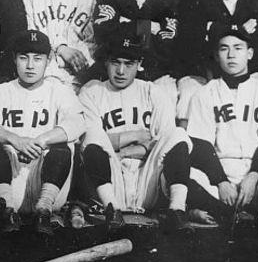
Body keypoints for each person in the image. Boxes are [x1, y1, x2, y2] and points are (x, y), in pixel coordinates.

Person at [0, 30, 87, 237]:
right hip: (9, 180)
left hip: (49, 182)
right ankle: (8, 211)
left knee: (63, 146)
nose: (30, 65)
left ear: (49, 59)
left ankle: (43, 211)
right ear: (14, 58)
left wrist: (41, 141)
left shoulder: (59, 90)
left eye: (38, 58)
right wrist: (14, 140)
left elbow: (78, 122)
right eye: (24, 58)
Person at [76, 37, 195, 233]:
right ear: (106, 61)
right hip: (109, 182)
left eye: (129, 64)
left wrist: (121, 151)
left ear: (139, 64)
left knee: (178, 134)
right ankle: (112, 210)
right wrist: (135, 135)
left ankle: (177, 210)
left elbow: (163, 143)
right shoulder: (91, 91)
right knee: (93, 135)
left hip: (146, 179)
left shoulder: (152, 92)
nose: (121, 71)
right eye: (115, 62)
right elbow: (90, 143)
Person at [185, 23, 258, 226]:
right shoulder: (204, 94)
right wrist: (221, 182)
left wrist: (253, 176)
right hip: (220, 176)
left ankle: (227, 213)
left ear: (250, 53)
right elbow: (201, 144)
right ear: (216, 55)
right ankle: (232, 212)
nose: (231, 55)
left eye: (238, 48)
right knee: (173, 173)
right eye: (224, 49)